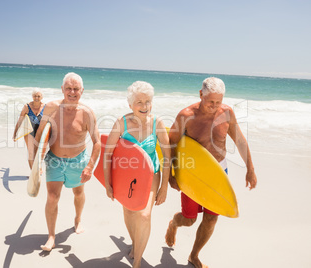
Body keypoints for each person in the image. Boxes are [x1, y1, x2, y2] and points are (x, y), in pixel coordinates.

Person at [164, 77, 257, 268]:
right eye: (210, 102)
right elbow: (170, 144)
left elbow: (239, 140)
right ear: (201, 94)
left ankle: (194, 255)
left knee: (211, 217)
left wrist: (250, 169)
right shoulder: (186, 115)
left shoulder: (227, 113)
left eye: (218, 102)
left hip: (218, 171)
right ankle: (174, 223)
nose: (214, 106)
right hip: (193, 173)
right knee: (189, 219)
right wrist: (171, 175)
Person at [103, 81, 170, 268]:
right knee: (129, 212)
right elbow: (108, 153)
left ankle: (137, 262)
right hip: (127, 176)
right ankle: (135, 243)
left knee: (144, 215)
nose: (144, 106)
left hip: (151, 174)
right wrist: (108, 183)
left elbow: (167, 155)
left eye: (148, 101)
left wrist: (164, 186)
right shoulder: (121, 123)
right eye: (139, 102)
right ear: (130, 104)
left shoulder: (157, 123)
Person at [34, 72, 100, 252]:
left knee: (78, 193)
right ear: (62, 89)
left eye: (76, 89)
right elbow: (40, 136)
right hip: (54, 160)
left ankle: (77, 219)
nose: (72, 92)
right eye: (68, 88)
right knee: (52, 197)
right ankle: (51, 236)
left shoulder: (87, 113)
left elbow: (97, 143)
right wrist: (36, 162)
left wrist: (89, 166)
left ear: (82, 91)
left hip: (78, 161)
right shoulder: (50, 108)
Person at [12, 88, 45, 168]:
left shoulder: (45, 107)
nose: (36, 98)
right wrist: (15, 133)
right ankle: (32, 172)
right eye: (34, 96)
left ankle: (37, 169)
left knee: (39, 153)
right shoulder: (27, 106)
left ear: (41, 97)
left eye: (38, 96)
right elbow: (20, 120)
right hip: (28, 132)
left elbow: (50, 121)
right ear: (32, 96)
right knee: (31, 152)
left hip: (40, 132)